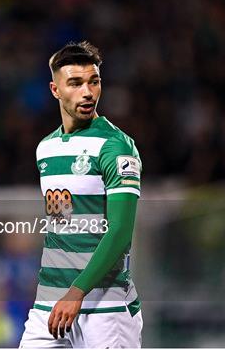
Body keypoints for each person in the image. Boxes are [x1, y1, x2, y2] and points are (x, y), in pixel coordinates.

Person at [20, 41, 143, 348]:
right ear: (55, 90)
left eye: (94, 81)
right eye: (75, 83)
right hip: (51, 306)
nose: (87, 92)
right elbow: (62, 225)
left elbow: (120, 232)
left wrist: (77, 291)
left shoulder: (115, 147)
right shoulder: (45, 149)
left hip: (105, 308)